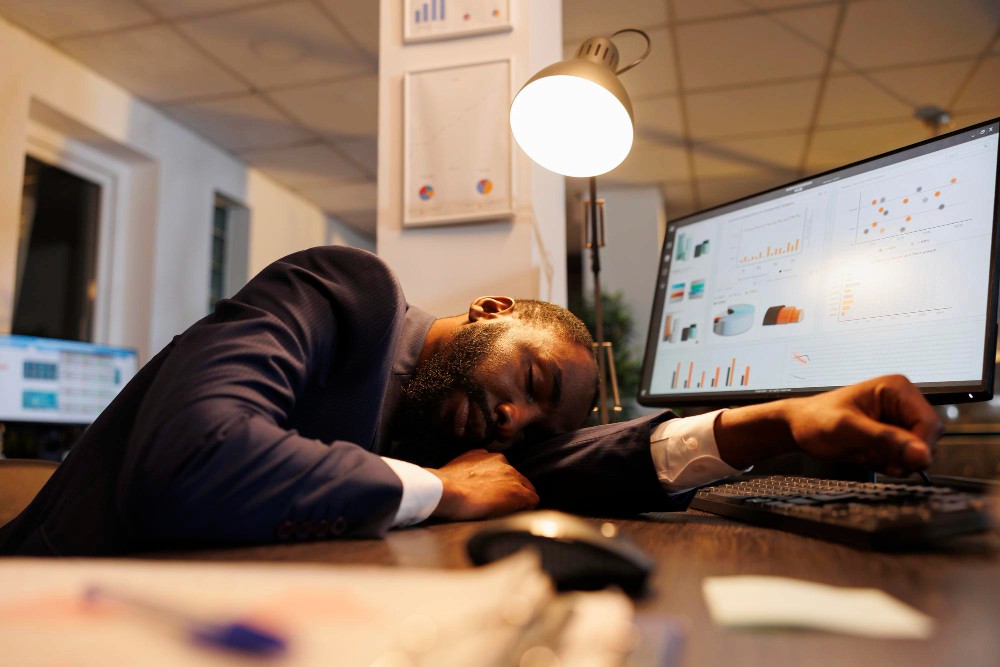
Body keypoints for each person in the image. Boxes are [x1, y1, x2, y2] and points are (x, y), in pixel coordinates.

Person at [0, 246, 940, 556]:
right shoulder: (346, 295)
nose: (516, 422)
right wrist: (442, 492)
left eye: (541, 420)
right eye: (530, 382)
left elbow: (576, 460)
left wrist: (774, 422)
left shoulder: (445, 426)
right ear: (493, 312)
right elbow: (192, 461)